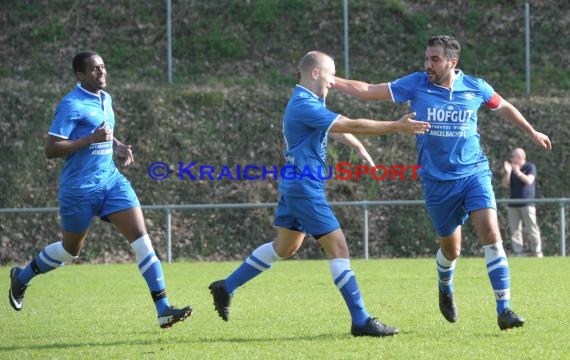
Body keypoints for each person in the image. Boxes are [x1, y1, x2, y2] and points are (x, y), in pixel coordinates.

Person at [333, 35, 552, 330]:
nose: (428, 65)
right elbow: (370, 90)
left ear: (453, 61)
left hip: (474, 174)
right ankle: (445, 284)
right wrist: (334, 80)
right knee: (452, 250)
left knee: (491, 232)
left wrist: (532, 132)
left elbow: (505, 106)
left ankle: (504, 309)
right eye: (426, 59)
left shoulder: (475, 86)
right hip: (437, 183)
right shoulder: (416, 84)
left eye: (434, 59)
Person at [208, 50, 430, 337]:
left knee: (284, 247)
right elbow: (346, 123)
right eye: (331, 73)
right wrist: (396, 126)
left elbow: (335, 128)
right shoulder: (302, 103)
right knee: (338, 247)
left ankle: (226, 286)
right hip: (304, 186)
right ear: (315, 73)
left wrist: (358, 146)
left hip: (297, 184)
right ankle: (361, 320)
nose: (333, 81)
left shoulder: (311, 102)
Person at [8, 51, 192, 329]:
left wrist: (117, 145)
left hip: (111, 183)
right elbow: (51, 149)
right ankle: (21, 278)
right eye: (94, 69)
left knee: (143, 242)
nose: (101, 72)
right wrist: (90, 139)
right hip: (78, 190)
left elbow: (104, 129)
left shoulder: (106, 99)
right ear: (80, 75)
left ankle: (163, 309)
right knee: (71, 251)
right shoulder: (70, 105)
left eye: (103, 67)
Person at [502, 148, 543, 257]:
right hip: (513, 205)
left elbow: (529, 180)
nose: (511, 158)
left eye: (512, 156)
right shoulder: (511, 169)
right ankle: (519, 253)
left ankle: (537, 252)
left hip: (527, 204)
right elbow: (505, 185)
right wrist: (508, 172)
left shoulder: (530, 167)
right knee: (515, 231)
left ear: (520, 157)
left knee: (532, 229)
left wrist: (517, 172)